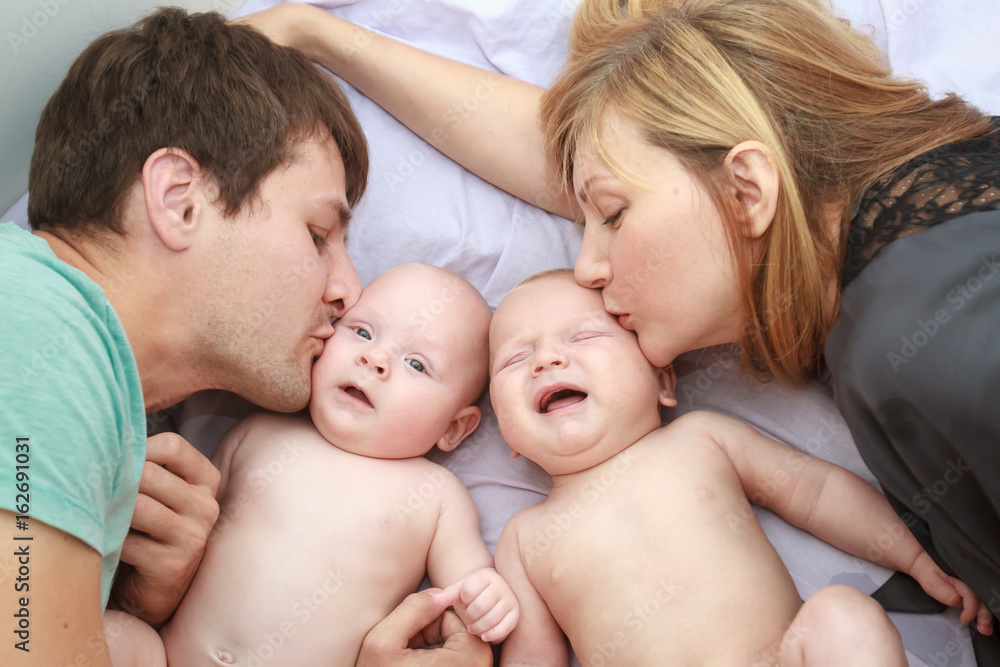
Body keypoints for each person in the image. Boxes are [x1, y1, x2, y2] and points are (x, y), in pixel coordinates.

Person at [242, 0, 1000, 621]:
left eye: (610, 214)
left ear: (748, 192)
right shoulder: (921, 220)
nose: (585, 265)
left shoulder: (924, 340)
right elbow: (633, 164)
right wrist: (320, 35)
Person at [0, 9, 488, 667]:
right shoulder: (42, 325)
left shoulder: (78, 375)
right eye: (318, 235)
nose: (349, 291)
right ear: (179, 200)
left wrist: (143, 603)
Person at [486, 269, 992, 666]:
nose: (546, 360)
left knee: (843, 615)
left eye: (582, 337)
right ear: (507, 434)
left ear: (663, 382)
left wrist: (918, 556)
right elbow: (533, 656)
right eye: (514, 360)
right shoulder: (523, 539)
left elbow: (814, 492)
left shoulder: (701, 439)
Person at [101, 263, 516, 666]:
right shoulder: (257, 431)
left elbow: (467, 583)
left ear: (455, 429)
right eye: (362, 332)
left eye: (416, 364)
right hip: (168, 655)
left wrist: (486, 597)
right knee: (118, 634)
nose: (375, 359)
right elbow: (188, 527)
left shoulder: (436, 494)